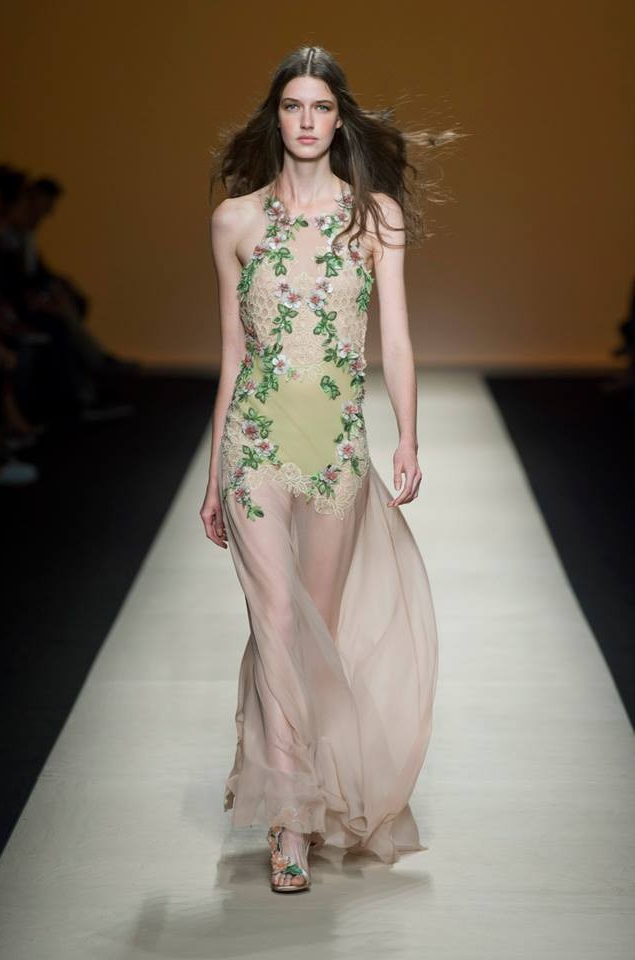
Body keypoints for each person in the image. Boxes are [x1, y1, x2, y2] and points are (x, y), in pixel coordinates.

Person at [201, 45, 452, 894]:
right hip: (254, 446)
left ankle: (304, 790)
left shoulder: (374, 218)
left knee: (316, 631)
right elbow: (232, 356)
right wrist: (212, 476)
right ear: (274, 118)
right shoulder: (234, 221)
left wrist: (407, 436)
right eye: (291, 106)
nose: (305, 121)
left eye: (320, 107)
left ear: (339, 121)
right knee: (275, 621)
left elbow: (396, 339)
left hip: (336, 448)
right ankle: (290, 821)